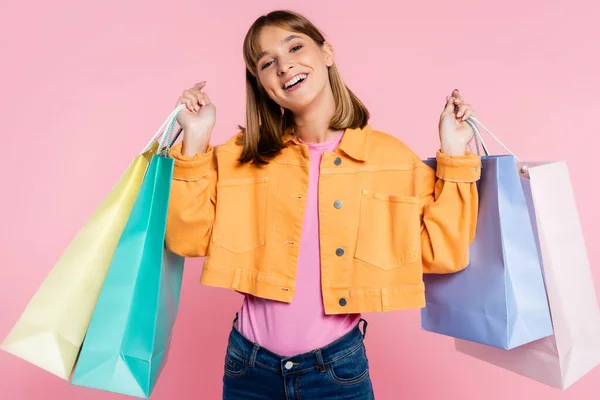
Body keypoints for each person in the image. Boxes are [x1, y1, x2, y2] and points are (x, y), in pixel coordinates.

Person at [165, 9, 481, 400]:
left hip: (336, 370)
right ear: (262, 84)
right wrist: (195, 140)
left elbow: (444, 252)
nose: (285, 67)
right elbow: (186, 239)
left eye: (295, 47)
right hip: (248, 366)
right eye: (267, 63)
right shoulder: (242, 157)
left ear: (326, 52)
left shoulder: (388, 158)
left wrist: (454, 152)